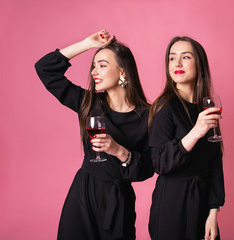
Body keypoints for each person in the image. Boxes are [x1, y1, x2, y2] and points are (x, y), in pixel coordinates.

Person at [35, 29, 153, 240]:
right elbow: (44, 69)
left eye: (102, 65)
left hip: (119, 202)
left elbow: (147, 169)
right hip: (83, 195)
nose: (94, 72)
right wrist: (86, 44)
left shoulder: (149, 116)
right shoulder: (89, 103)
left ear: (123, 72)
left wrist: (119, 151)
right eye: (94, 66)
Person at [148, 36, 225, 240]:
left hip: (203, 203)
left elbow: (215, 162)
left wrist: (213, 212)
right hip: (173, 204)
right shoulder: (165, 107)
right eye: (172, 58)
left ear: (199, 64)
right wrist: (195, 133)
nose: (178, 64)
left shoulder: (205, 108)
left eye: (186, 57)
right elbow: (159, 163)